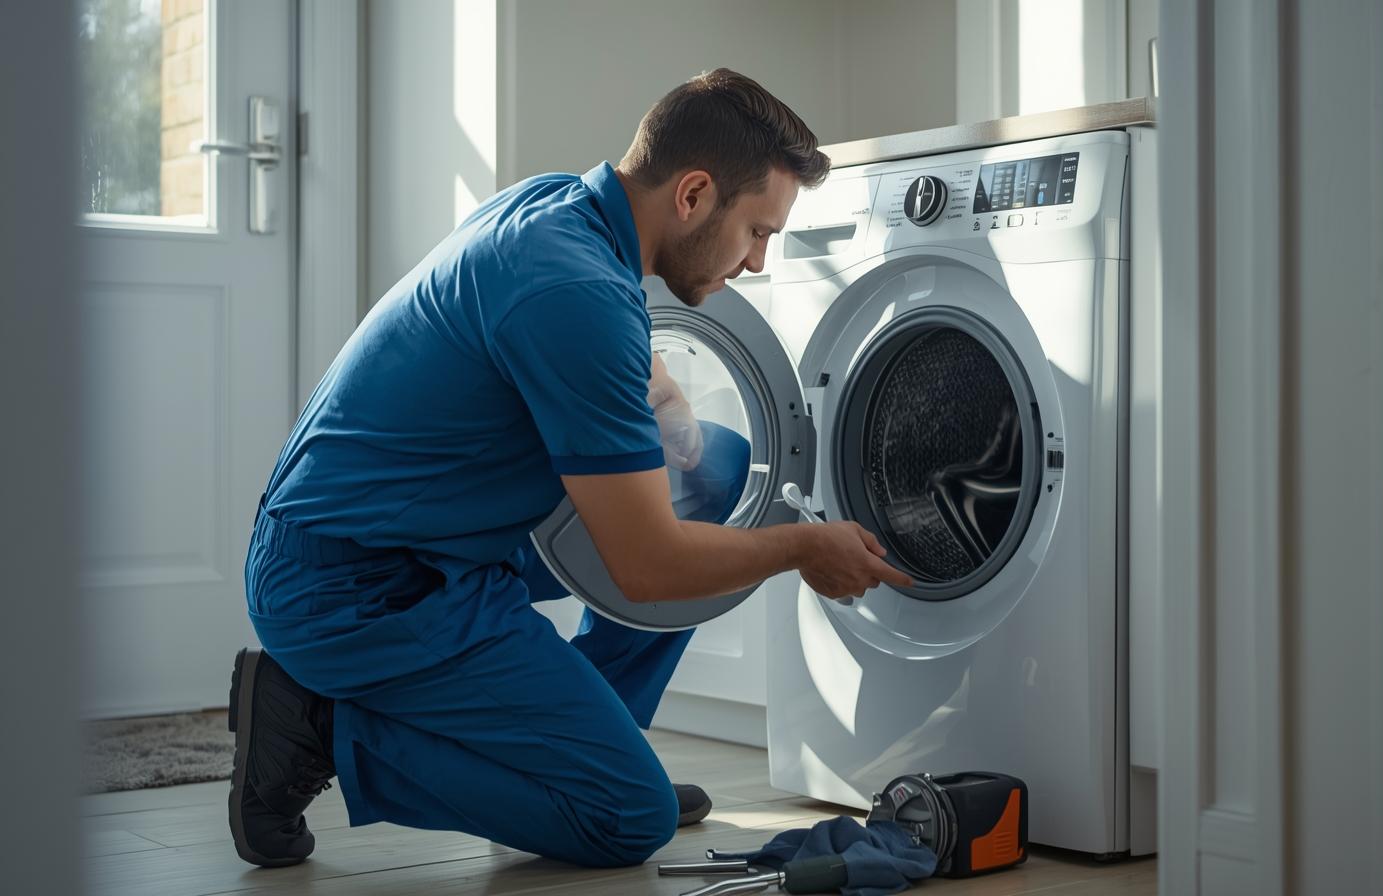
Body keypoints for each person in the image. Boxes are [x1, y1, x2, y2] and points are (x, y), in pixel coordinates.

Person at [227, 67, 913, 870]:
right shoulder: (573, 289)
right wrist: (804, 548)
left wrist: (663, 394)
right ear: (693, 195)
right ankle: (311, 726)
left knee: (720, 472)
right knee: (625, 817)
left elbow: (586, 330)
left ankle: (584, 741)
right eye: (758, 230)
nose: (758, 262)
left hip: (422, 530)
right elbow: (649, 567)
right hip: (353, 587)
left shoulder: (561, 207)